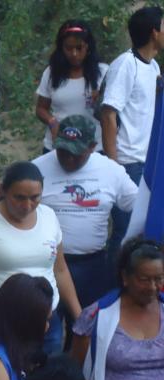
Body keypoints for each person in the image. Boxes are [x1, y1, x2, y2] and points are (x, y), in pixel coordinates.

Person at [0, 161, 82, 355]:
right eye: (19, 198)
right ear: (3, 191)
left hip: (45, 322)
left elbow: (60, 270)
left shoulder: (49, 217)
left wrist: (79, 315)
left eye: (35, 198)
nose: (27, 206)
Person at [33, 115, 138, 350]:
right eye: (63, 151)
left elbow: (140, 205)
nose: (68, 159)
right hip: (46, 265)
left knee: (86, 334)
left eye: (76, 154)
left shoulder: (111, 171)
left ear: (92, 147)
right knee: (47, 335)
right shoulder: (37, 168)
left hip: (92, 266)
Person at [71, 238, 164, 380]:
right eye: (144, 279)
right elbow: (75, 373)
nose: (153, 287)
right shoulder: (96, 316)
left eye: (159, 279)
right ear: (125, 277)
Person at [103, 7, 163, 267]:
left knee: (143, 233)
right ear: (154, 32)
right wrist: (113, 165)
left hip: (147, 162)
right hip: (127, 162)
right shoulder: (126, 64)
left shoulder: (153, 66)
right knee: (125, 232)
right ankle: (113, 284)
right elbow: (108, 113)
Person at [35, 20, 108, 154]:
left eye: (79, 48)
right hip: (58, 147)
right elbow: (41, 108)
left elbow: (114, 112)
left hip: (92, 148)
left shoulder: (103, 73)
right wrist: (52, 122)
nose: (74, 54)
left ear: (88, 47)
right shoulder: (51, 73)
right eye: (68, 48)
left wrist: (100, 101)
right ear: (61, 48)